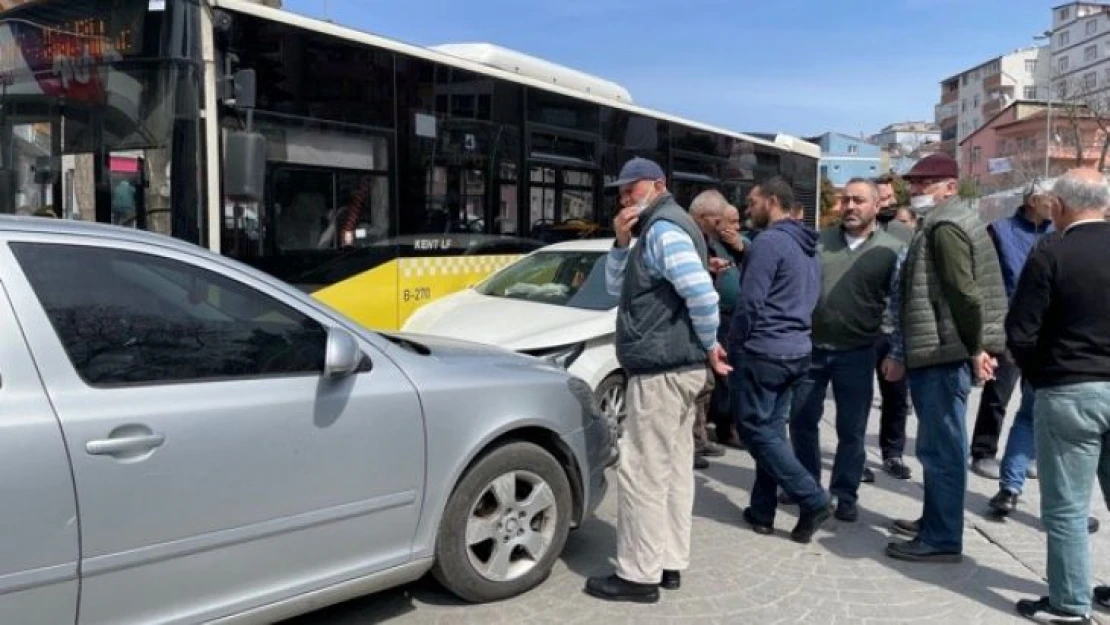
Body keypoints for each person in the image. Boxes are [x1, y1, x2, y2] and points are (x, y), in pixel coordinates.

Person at [585, 157, 729, 603]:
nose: (626, 195)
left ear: (659, 185)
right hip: (672, 368)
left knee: (642, 473)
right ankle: (668, 562)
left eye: (634, 187)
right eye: (622, 190)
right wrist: (619, 241)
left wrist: (710, 344)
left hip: (661, 371)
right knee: (671, 469)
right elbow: (612, 288)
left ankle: (638, 575)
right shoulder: (653, 229)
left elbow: (702, 294)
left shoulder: (664, 229)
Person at [881, 152, 1007, 563]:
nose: (915, 190)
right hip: (941, 349)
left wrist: (975, 348)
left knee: (941, 449)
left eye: (925, 183)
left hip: (942, 352)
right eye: (913, 184)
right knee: (938, 447)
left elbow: (964, 294)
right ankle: (937, 520)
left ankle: (941, 536)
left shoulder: (945, 226)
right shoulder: (943, 221)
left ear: (949, 187)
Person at [1007, 168, 1110, 623]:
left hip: (1070, 388)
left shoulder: (1052, 249)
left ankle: (1070, 603)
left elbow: (1021, 330)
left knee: (1067, 507)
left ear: (1059, 207)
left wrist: (1041, 375)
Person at [789, 178, 903, 522]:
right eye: (845, 200)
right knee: (802, 421)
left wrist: (896, 350)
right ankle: (808, 489)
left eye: (859, 200)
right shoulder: (818, 242)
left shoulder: (892, 249)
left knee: (851, 430)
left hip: (858, 351)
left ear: (876, 206)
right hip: (812, 350)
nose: (850, 206)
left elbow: (899, 303)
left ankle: (844, 493)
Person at [730, 175, 829, 543]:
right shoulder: (809, 247)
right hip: (798, 350)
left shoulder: (768, 242)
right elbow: (814, 300)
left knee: (756, 433)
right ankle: (762, 511)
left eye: (752, 202)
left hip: (766, 352)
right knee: (772, 432)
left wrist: (733, 345)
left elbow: (750, 302)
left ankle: (813, 497)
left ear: (772, 201)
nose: (747, 209)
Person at [970, 182, 1055, 481]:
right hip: (1007, 325)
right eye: (1049, 198)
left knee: (1035, 397)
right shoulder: (999, 231)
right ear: (1033, 200)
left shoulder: (1057, 232)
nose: (1054, 203)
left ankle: (1026, 454)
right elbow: (985, 281)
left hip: (1044, 327)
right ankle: (983, 451)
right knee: (998, 393)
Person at [872, 175, 914, 480]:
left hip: (895, 330)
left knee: (896, 397)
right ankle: (855, 456)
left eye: (890, 198)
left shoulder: (907, 233)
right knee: (858, 399)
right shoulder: (859, 232)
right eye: (881, 198)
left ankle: (893, 453)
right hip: (864, 329)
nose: (887, 203)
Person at [712, 202, 748, 449]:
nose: (736, 227)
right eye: (731, 222)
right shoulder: (709, 244)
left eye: (738, 222)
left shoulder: (742, 243)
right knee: (723, 375)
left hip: (740, 318)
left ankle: (732, 423)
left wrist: (741, 247)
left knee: (737, 372)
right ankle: (724, 426)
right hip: (718, 318)